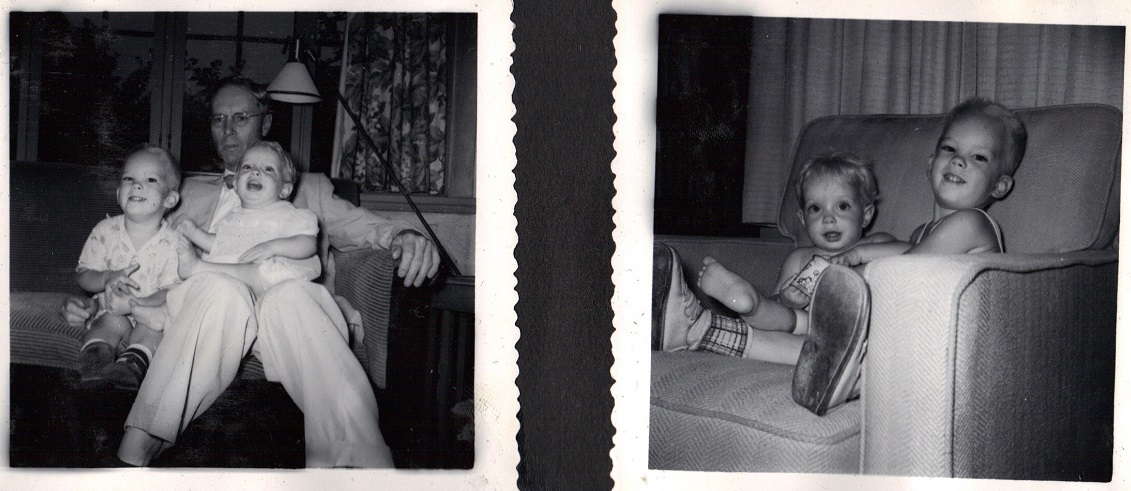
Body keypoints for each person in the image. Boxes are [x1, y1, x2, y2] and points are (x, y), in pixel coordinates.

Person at [59, 76, 440, 467]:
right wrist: (99, 301)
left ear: (266, 122)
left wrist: (403, 235)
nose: (227, 129)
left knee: (289, 297)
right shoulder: (183, 195)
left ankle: (355, 464)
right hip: (216, 318)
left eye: (240, 117)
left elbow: (361, 225)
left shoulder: (307, 188)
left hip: (290, 318)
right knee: (218, 289)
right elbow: (147, 260)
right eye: (218, 119)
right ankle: (138, 446)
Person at [654, 153, 894, 366]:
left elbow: (908, 253)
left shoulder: (876, 244)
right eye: (815, 208)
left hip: (852, 333)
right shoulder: (799, 258)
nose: (828, 218)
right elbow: (777, 309)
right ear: (802, 219)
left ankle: (708, 328)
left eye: (842, 206)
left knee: (812, 342)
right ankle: (749, 303)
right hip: (805, 329)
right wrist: (787, 299)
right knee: (780, 316)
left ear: (866, 215)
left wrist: (855, 256)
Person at [75, 144, 183, 390]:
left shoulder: (175, 243)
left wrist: (135, 305)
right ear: (118, 193)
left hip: (151, 314)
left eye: (150, 179)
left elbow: (172, 291)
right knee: (108, 322)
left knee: (153, 331)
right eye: (128, 179)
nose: (136, 185)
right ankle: (94, 359)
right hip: (111, 312)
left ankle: (130, 366)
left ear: (170, 199)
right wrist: (105, 278)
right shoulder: (104, 231)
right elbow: (83, 275)